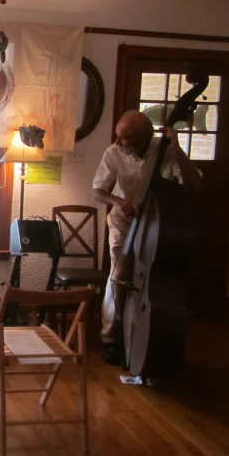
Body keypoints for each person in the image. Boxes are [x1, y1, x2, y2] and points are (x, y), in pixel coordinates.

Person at [93, 110, 202, 365]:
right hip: (123, 222)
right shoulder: (113, 153)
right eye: (118, 137)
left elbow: (194, 185)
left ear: (144, 139)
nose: (119, 143)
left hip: (156, 225)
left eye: (125, 139)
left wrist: (176, 147)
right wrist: (119, 201)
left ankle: (146, 334)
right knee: (119, 278)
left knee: (151, 281)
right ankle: (111, 338)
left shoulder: (163, 150)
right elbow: (97, 191)